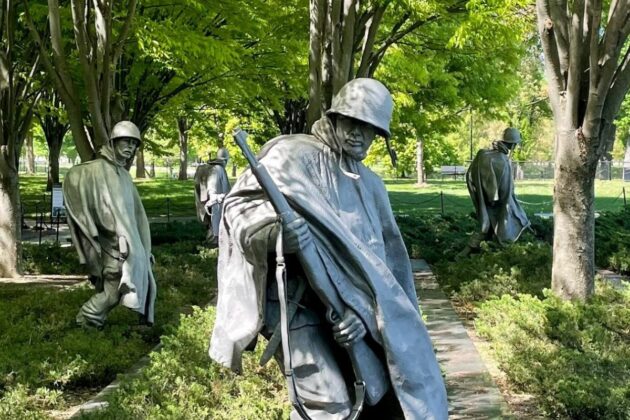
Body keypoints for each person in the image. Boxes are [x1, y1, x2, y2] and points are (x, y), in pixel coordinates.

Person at [209, 78, 447, 419]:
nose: (359, 135)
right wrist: (277, 236)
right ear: (334, 118)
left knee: (373, 400)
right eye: (352, 123)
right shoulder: (288, 156)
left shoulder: (371, 185)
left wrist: (366, 317)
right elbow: (237, 214)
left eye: (370, 129)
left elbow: (385, 269)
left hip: (353, 316)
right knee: (326, 405)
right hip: (296, 304)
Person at [63, 121, 157, 328]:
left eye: (134, 143)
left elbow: (136, 216)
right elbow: (103, 212)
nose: (130, 147)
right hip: (113, 246)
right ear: (114, 142)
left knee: (116, 287)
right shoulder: (97, 171)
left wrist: (143, 247)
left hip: (126, 245)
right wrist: (119, 241)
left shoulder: (123, 174)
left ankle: (93, 324)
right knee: (113, 291)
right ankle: (86, 320)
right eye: (126, 141)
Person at [459, 127, 530, 257]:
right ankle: (466, 253)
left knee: (488, 226)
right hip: (495, 200)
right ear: (513, 144)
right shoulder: (502, 160)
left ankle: (484, 251)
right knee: (492, 225)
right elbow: (505, 189)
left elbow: (470, 175)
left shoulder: (483, 154)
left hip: (484, 197)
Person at [194, 148, 231, 246]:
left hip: (209, 200)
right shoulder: (218, 169)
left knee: (213, 223)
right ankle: (213, 242)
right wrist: (214, 197)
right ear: (225, 160)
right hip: (215, 201)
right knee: (215, 223)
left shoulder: (207, 168)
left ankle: (213, 240)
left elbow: (202, 187)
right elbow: (212, 185)